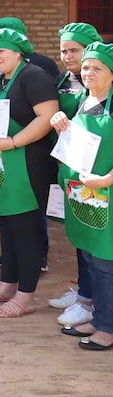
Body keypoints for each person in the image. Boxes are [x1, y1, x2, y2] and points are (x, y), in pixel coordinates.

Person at [0, 27, 58, 317]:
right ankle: (7, 284)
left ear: (19, 52)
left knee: (26, 231)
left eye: (2, 51)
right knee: (6, 229)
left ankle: (26, 294)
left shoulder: (34, 77)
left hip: (28, 164)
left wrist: (14, 141)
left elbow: (47, 117)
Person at [52, 41, 113, 349]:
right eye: (86, 67)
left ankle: (108, 329)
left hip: (106, 193)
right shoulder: (85, 102)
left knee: (105, 262)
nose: (88, 72)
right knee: (90, 256)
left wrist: (107, 179)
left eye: (97, 68)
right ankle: (102, 318)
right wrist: (60, 125)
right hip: (84, 194)